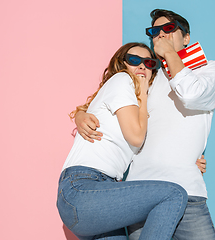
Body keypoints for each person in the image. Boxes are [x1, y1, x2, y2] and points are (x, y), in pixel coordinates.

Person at [74, 9, 215, 240]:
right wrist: (81, 116)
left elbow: (191, 95)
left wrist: (170, 54)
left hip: (188, 191)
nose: (161, 35)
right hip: (141, 193)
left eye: (169, 29)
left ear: (186, 38)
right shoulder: (148, 78)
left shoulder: (208, 70)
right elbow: (114, 106)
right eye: (155, 32)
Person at [57, 42, 188, 240]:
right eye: (134, 60)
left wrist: (188, 159)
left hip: (101, 195)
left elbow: (151, 143)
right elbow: (136, 137)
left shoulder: (135, 107)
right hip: (83, 188)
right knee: (174, 194)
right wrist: (142, 94)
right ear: (121, 64)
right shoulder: (122, 80)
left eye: (149, 62)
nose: (142, 66)